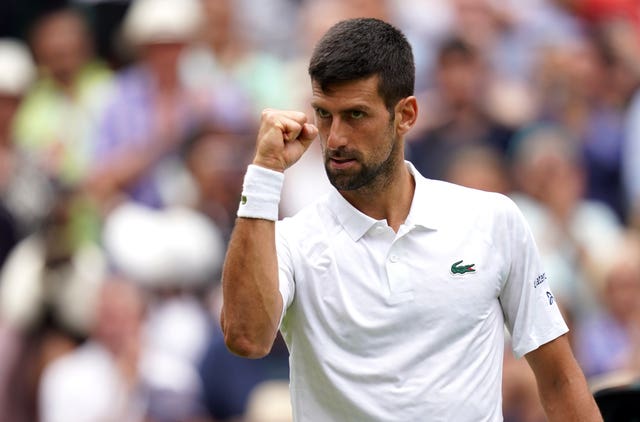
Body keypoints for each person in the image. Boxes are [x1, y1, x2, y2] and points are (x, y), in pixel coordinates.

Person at [221, 18, 602, 421]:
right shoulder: (289, 240)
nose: (334, 139)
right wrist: (264, 174)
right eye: (324, 115)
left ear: (406, 115)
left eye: (355, 115)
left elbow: (560, 379)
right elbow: (246, 337)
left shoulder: (494, 220)